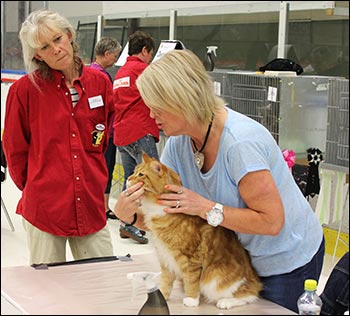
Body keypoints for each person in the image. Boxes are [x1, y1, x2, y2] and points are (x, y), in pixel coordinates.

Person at [114, 49, 325, 313]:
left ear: (183, 100)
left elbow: (272, 222)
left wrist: (204, 208)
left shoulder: (240, 143)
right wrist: (130, 216)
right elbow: (173, 222)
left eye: (158, 107)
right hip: (233, 257)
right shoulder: (178, 142)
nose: (151, 114)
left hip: (283, 260)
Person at [2, 10, 117, 265]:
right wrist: (38, 187)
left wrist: (94, 177)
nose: (55, 49)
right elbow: (14, 148)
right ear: (37, 54)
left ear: (69, 35)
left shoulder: (100, 83)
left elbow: (103, 138)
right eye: (44, 46)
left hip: (90, 203)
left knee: (104, 280)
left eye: (57, 39)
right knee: (49, 293)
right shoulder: (24, 91)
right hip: (45, 209)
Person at [112, 30, 160, 244]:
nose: (150, 58)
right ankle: (150, 224)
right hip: (141, 131)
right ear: (144, 51)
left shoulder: (121, 73)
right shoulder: (144, 70)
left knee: (131, 180)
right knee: (151, 179)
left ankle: (127, 223)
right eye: (150, 53)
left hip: (122, 134)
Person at [90, 37, 122, 220]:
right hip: (106, 132)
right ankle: (103, 206)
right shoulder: (101, 76)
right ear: (107, 54)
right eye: (115, 56)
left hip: (95, 132)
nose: (116, 60)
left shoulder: (88, 71)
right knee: (106, 169)